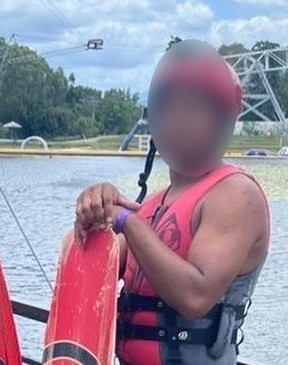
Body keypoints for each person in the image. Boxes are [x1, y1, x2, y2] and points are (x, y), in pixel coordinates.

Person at [73, 39, 269, 365]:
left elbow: (196, 297)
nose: (178, 119)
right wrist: (94, 211)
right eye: (169, 106)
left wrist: (125, 221)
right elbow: (90, 274)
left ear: (221, 117)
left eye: (194, 107)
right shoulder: (151, 206)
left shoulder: (235, 195)